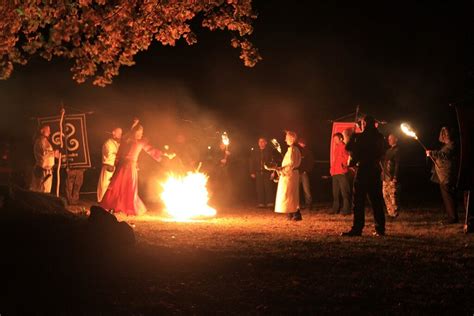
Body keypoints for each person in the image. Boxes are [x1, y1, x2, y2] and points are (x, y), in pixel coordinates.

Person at [101, 122, 174, 216]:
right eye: (140, 132)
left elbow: (151, 150)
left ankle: (127, 208)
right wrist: (133, 126)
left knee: (129, 188)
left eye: (142, 132)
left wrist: (165, 154)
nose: (141, 134)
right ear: (135, 132)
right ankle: (113, 206)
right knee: (118, 186)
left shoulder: (140, 142)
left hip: (131, 167)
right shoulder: (127, 140)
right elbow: (120, 151)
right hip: (123, 166)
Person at [341, 115, 386, 236]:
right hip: (375, 170)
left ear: (364, 124)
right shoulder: (380, 137)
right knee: (376, 200)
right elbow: (382, 152)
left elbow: (348, 148)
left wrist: (354, 136)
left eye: (362, 123)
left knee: (358, 201)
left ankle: (357, 228)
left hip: (363, 170)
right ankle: (380, 229)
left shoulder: (361, 137)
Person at [426, 127, 459, 224]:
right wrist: (432, 153)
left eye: (445, 135)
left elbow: (444, 155)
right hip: (443, 175)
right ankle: (452, 216)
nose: (444, 137)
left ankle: (452, 218)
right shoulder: (447, 145)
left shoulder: (451, 145)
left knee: (448, 197)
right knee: (448, 196)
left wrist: (432, 153)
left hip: (447, 176)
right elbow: (441, 154)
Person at [274, 131, 302, 221]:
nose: (285, 139)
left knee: (291, 194)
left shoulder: (293, 149)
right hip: (288, 174)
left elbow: (291, 163)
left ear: (292, 139)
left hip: (290, 175)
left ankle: (296, 213)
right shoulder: (291, 149)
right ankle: (290, 212)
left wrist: (282, 169)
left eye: (287, 137)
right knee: (288, 194)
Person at [30, 124, 59, 193]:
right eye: (48, 130)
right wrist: (53, 153)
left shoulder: (45, 141)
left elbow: (47, 153)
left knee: (46, 190)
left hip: (48, 171)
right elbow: (43, 153)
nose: (50, 132)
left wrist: (55, 154)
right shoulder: (40, 141)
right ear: (42, 131)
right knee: (41, 190)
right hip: (42, 171)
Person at [249, 137, 277, 208]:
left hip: (267, 172)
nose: (261, 143)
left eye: (262, 141)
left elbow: (273, 162)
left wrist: (273, 172)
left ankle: (270, 203)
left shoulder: (269, 151)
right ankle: (261, 203)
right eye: (259, 142)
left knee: (268, 187)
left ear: (265, 143)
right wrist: (252, 171)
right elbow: (252, 162)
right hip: (258, 172)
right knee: (259, 188)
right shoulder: (255, 152)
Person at [97, 127, 122, 202]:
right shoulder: (108, 143)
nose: (120, 134)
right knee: (104, 185)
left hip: (115, 167)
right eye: (118, 132)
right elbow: (110, 155)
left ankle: (109, 202)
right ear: (113, 132)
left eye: (121, 133)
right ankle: (101, 201)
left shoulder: (117, 143)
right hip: (108, 166)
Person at [330, 133, 351, 215]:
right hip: (335, 172)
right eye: (334, 139)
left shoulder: (344, 146)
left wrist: (343, 165)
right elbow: (335, 160)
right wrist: (332, 169)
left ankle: (346, 210)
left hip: (341, 172)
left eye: (336, 139)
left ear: (341, 139)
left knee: (344, 192)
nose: (335, 141)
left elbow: (347, 158)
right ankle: (335, 209)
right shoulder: (337, 148)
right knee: (335, 192)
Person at [382, 133, 401, 218]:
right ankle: (390, 212)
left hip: (392, 177)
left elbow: (397, 164)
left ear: (396, 139)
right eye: (388, 139)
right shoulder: (388, 150)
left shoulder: (397, 150)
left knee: (393, 195)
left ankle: (395, 212)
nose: (389, 140)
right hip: (385, 176)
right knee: (385, 194)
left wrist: (395, 177)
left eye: (391, 138)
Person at [297, 138, 314, 210]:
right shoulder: (297, 151)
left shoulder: (308, 152)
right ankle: (296, 205)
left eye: (302, 143)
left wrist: (306, 170)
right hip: (297, 173)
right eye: (300, 143)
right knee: (296, 190)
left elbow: (311, 162)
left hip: (304, 173)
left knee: (306, 189)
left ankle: (309, 205)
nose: (301, 144)